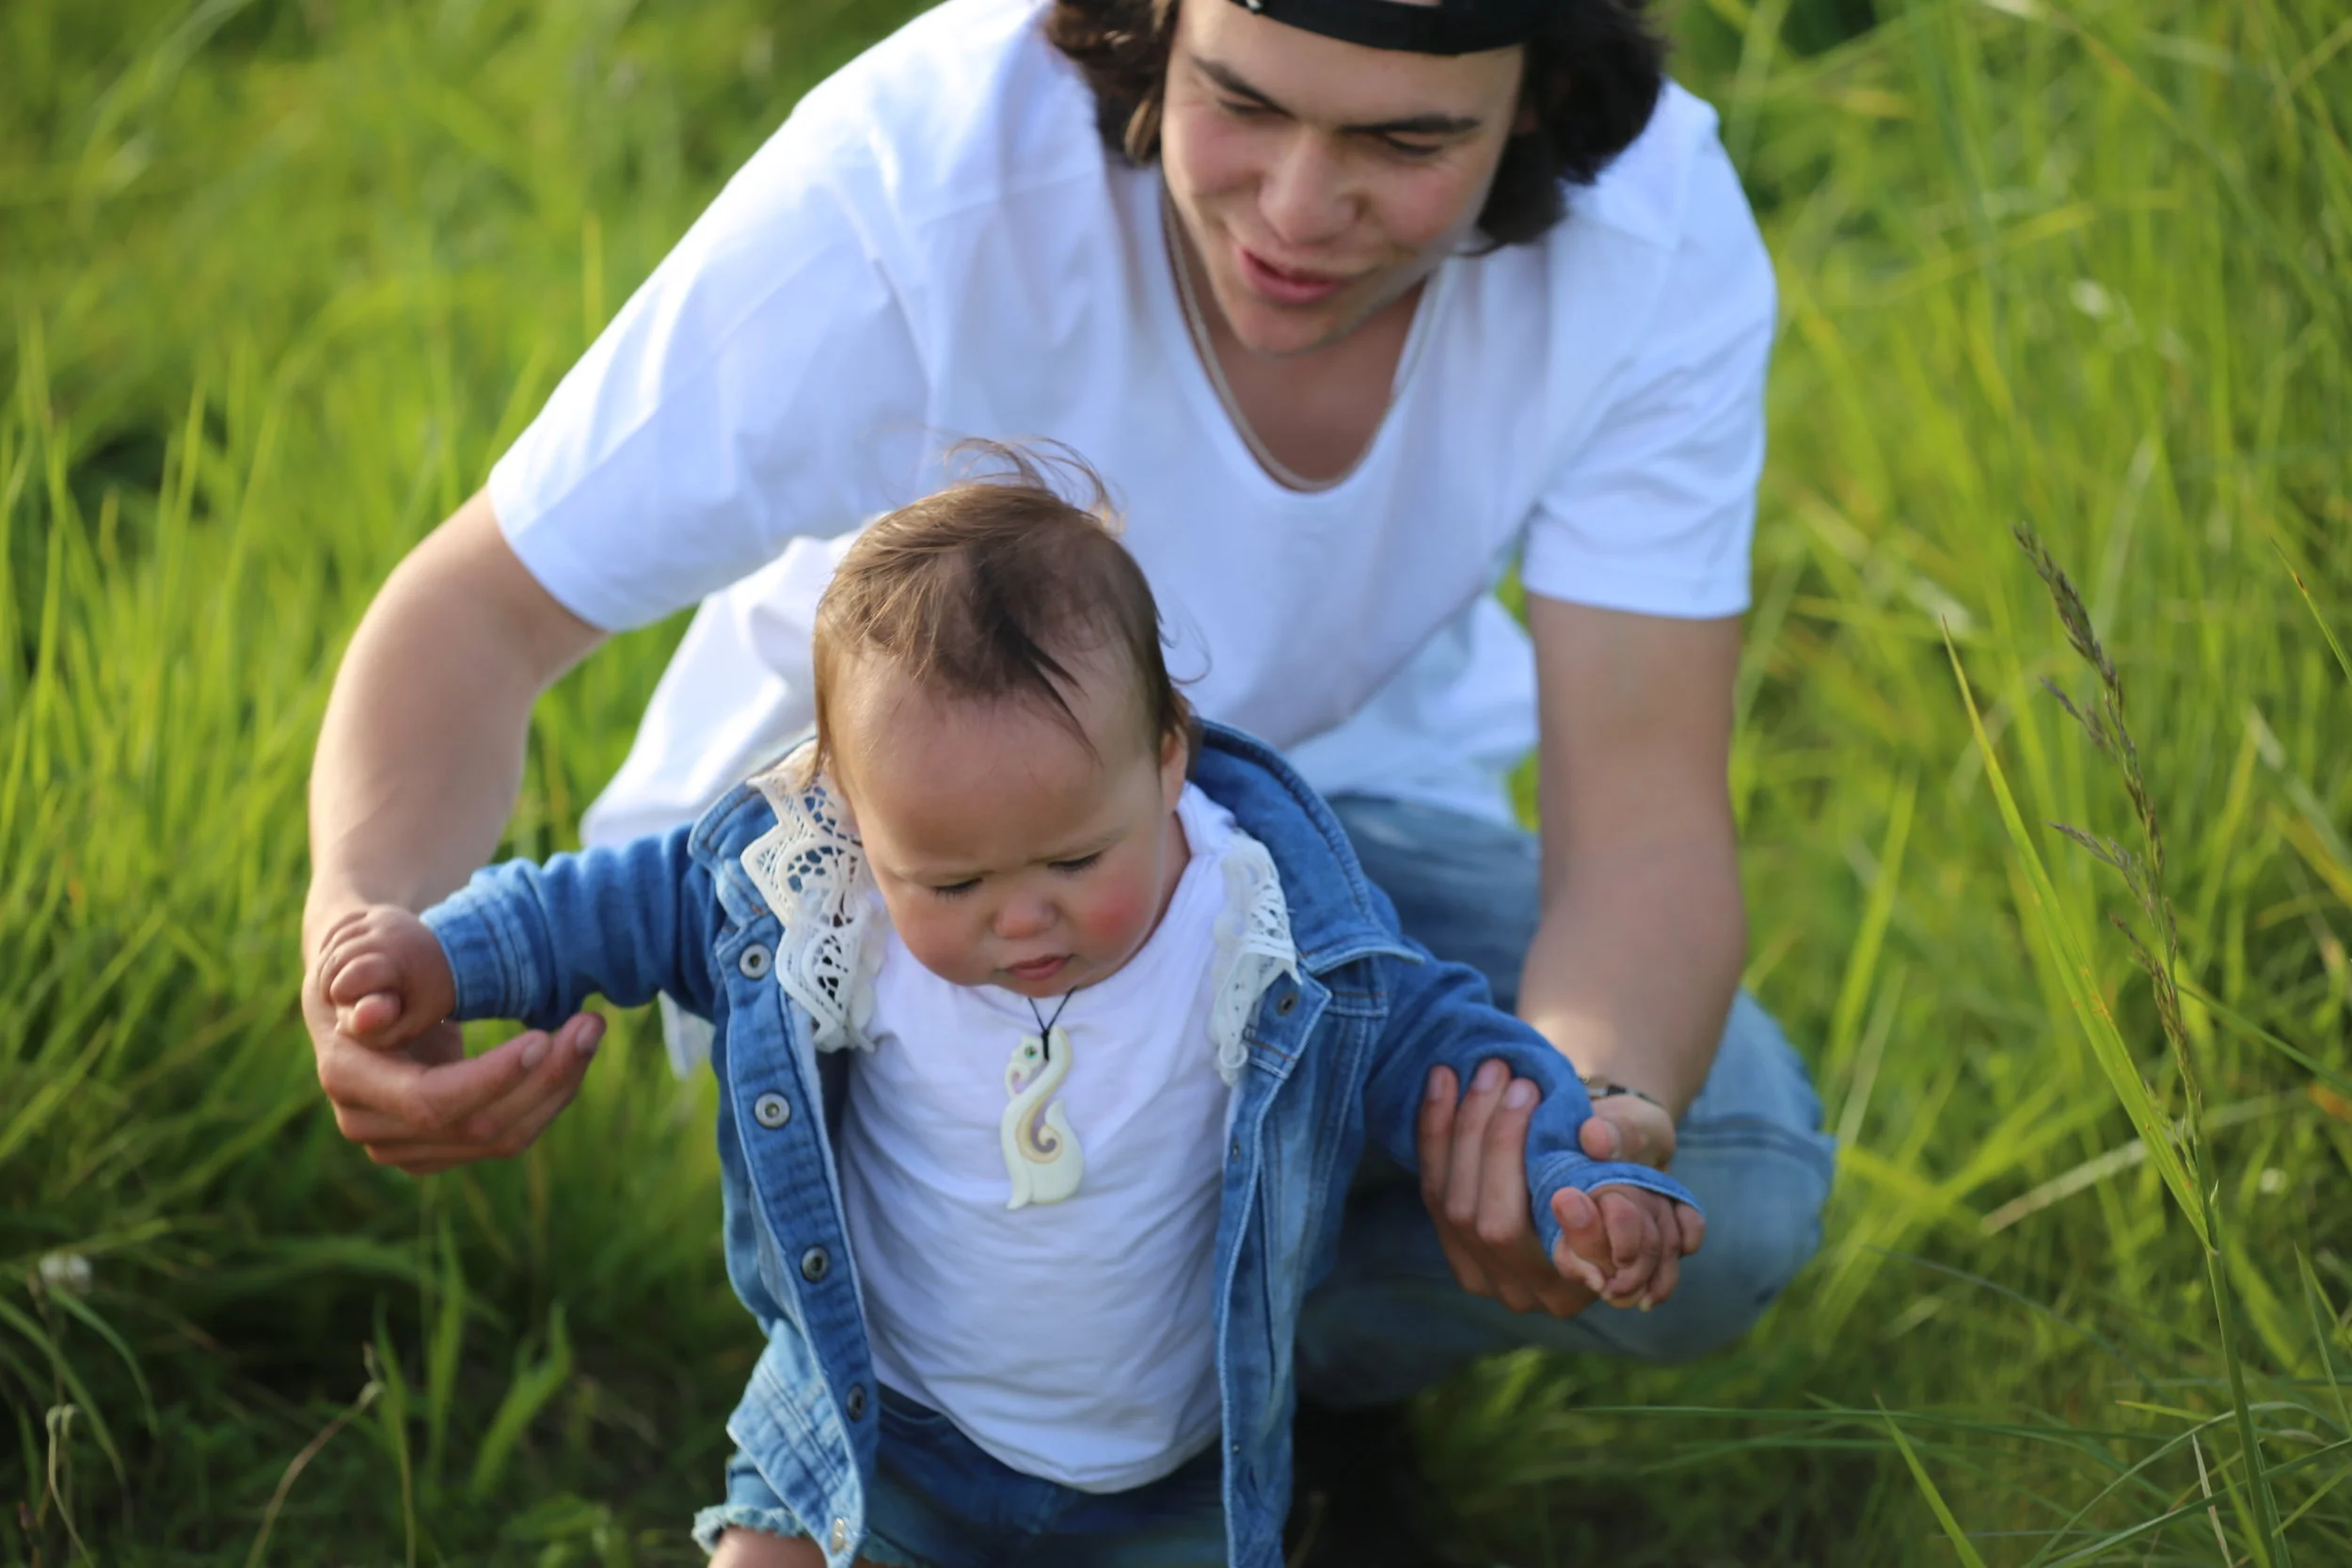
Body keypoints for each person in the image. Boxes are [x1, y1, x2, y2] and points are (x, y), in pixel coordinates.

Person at [302, 0, 1836, 1548]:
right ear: (1152, 26)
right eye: (1240, 102)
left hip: (1322, 847)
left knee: (1733, 1182)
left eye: (1406, 139)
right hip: (891, 911)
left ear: (1534, 94)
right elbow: (474, 615)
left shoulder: (1645, 232)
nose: (1299, 209)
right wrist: (365, 931)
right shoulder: (918, 183)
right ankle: (909, 1380)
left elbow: (1642, 826)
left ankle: (1203, 1402)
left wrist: (1575, 1132)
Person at [312, 458, 1706, 1567]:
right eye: (956, 879)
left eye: (1073, 862)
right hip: (887, 1427)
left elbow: (1448, 1046)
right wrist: (444, 953)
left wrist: (1571, 1160)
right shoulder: (824, 889)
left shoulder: (1258, 922)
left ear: (1170, 762)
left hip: (1162, 1471)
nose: (1020, 916)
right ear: (859, 826)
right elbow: (608, 907)